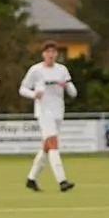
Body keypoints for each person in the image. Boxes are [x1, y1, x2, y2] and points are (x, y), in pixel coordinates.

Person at [18, 40, 77, 192]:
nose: (50, 55)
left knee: (47, 147)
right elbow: (23, 89)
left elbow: (73, 92)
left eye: (53, 52)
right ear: (43, 54)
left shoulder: (62, 70)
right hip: (44, 112)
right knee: (53, 143)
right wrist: (34, 94)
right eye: (47, 52)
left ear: (57, 54)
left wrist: (66, 85)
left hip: (58, 111)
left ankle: (31, 179)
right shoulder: (36, 70)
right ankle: (62, 181)